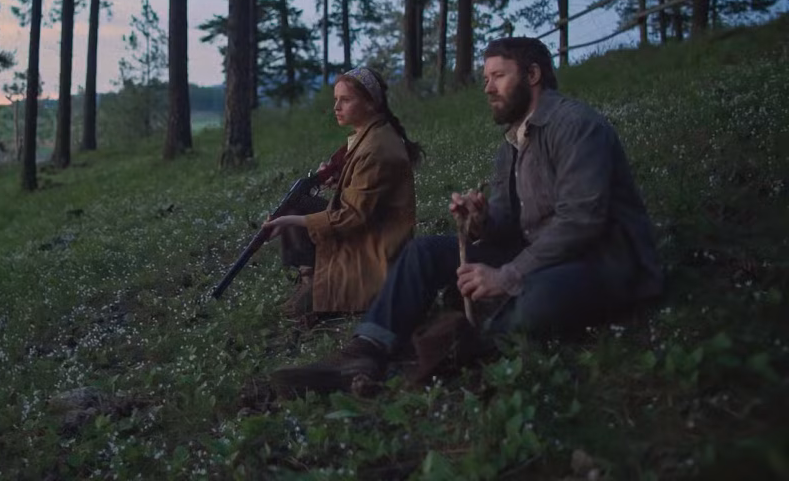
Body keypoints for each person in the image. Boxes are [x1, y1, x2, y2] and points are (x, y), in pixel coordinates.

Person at [270, 37, 663, 393]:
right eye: (485, 78)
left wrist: (508, 274)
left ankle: (448, 350)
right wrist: (480, 219)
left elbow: (582, 222)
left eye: (498, 76)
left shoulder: (577, 126)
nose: (487, 87)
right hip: (538, 253)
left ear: (533, 74)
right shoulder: (511, 143)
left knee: (536, 299)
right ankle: (368, 347)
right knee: (424, 252)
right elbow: (508, 225)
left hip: (599, 260)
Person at [262, 67, 424, 323]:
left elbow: (353, 217)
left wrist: (289, 223)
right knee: (297, 205)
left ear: (371, 103)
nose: (337, 107)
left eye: (346, 100)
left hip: (374, 252)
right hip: (367, 233)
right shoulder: (370, 135)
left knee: (294, 217)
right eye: (336, 100)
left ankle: (322, 294)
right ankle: (310, 279)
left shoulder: (376, 148)